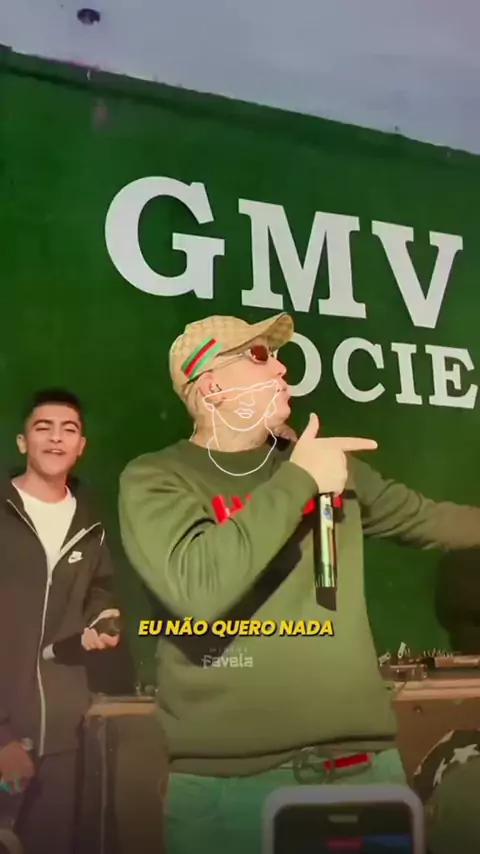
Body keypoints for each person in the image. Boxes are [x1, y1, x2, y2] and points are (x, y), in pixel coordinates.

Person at [118, 312, 480, 854]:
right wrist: (301, 478)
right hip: (231, 794)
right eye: (260, 356)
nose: (283, 368)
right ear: (211, 385)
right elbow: (198, 589)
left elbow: (431, 519)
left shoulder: (330, 466)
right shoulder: (157, 478)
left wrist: (308, 468)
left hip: (364, 775)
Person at [0, 389, 121, 854]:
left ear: (81, 446)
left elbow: (101, 589)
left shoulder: (90, 522)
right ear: (22, 442)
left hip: (62, 740)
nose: (56, 439)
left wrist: (102, 617)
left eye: (68, 430)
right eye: (43, 428)